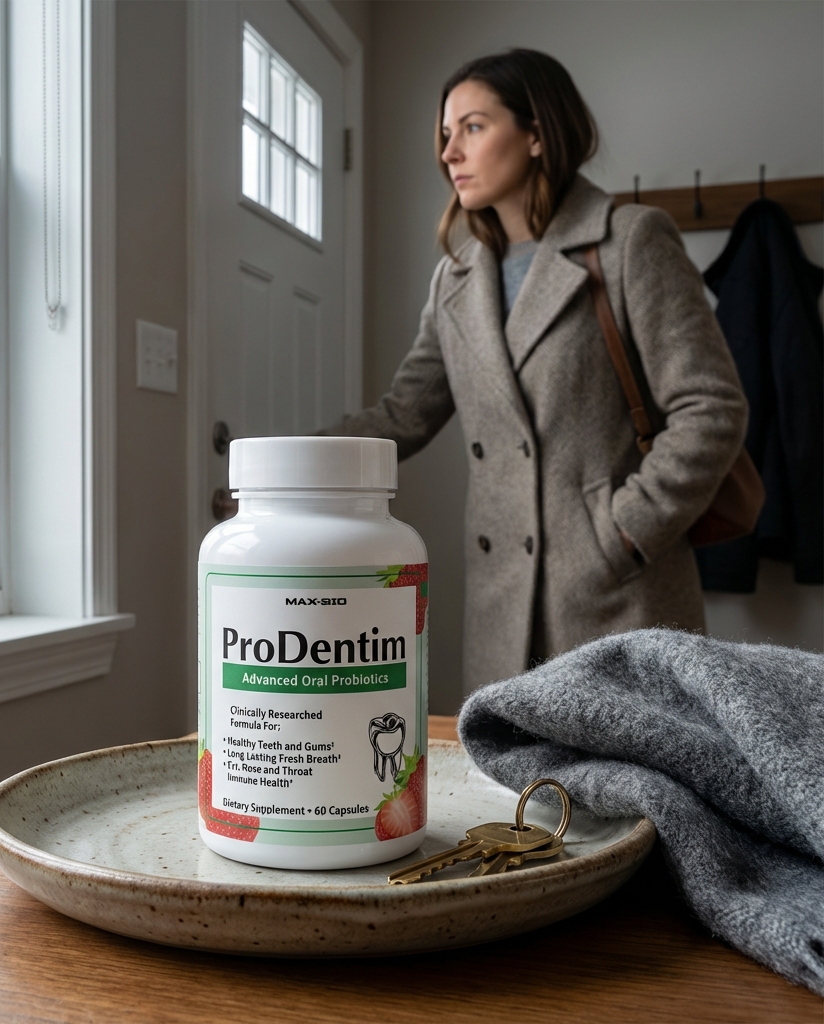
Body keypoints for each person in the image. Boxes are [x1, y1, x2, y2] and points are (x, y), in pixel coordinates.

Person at [320, 50, 748, 689]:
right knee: (511, 785)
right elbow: (405, 414)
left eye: (473, 127)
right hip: (501, 605)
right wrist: (290, 459)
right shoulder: (456, 279)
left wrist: (623, 532)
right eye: (445, 134)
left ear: (538, 134)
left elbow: (711, 407)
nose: (449, 153)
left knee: (624, 787)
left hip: (616, 594)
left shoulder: (630, 240)